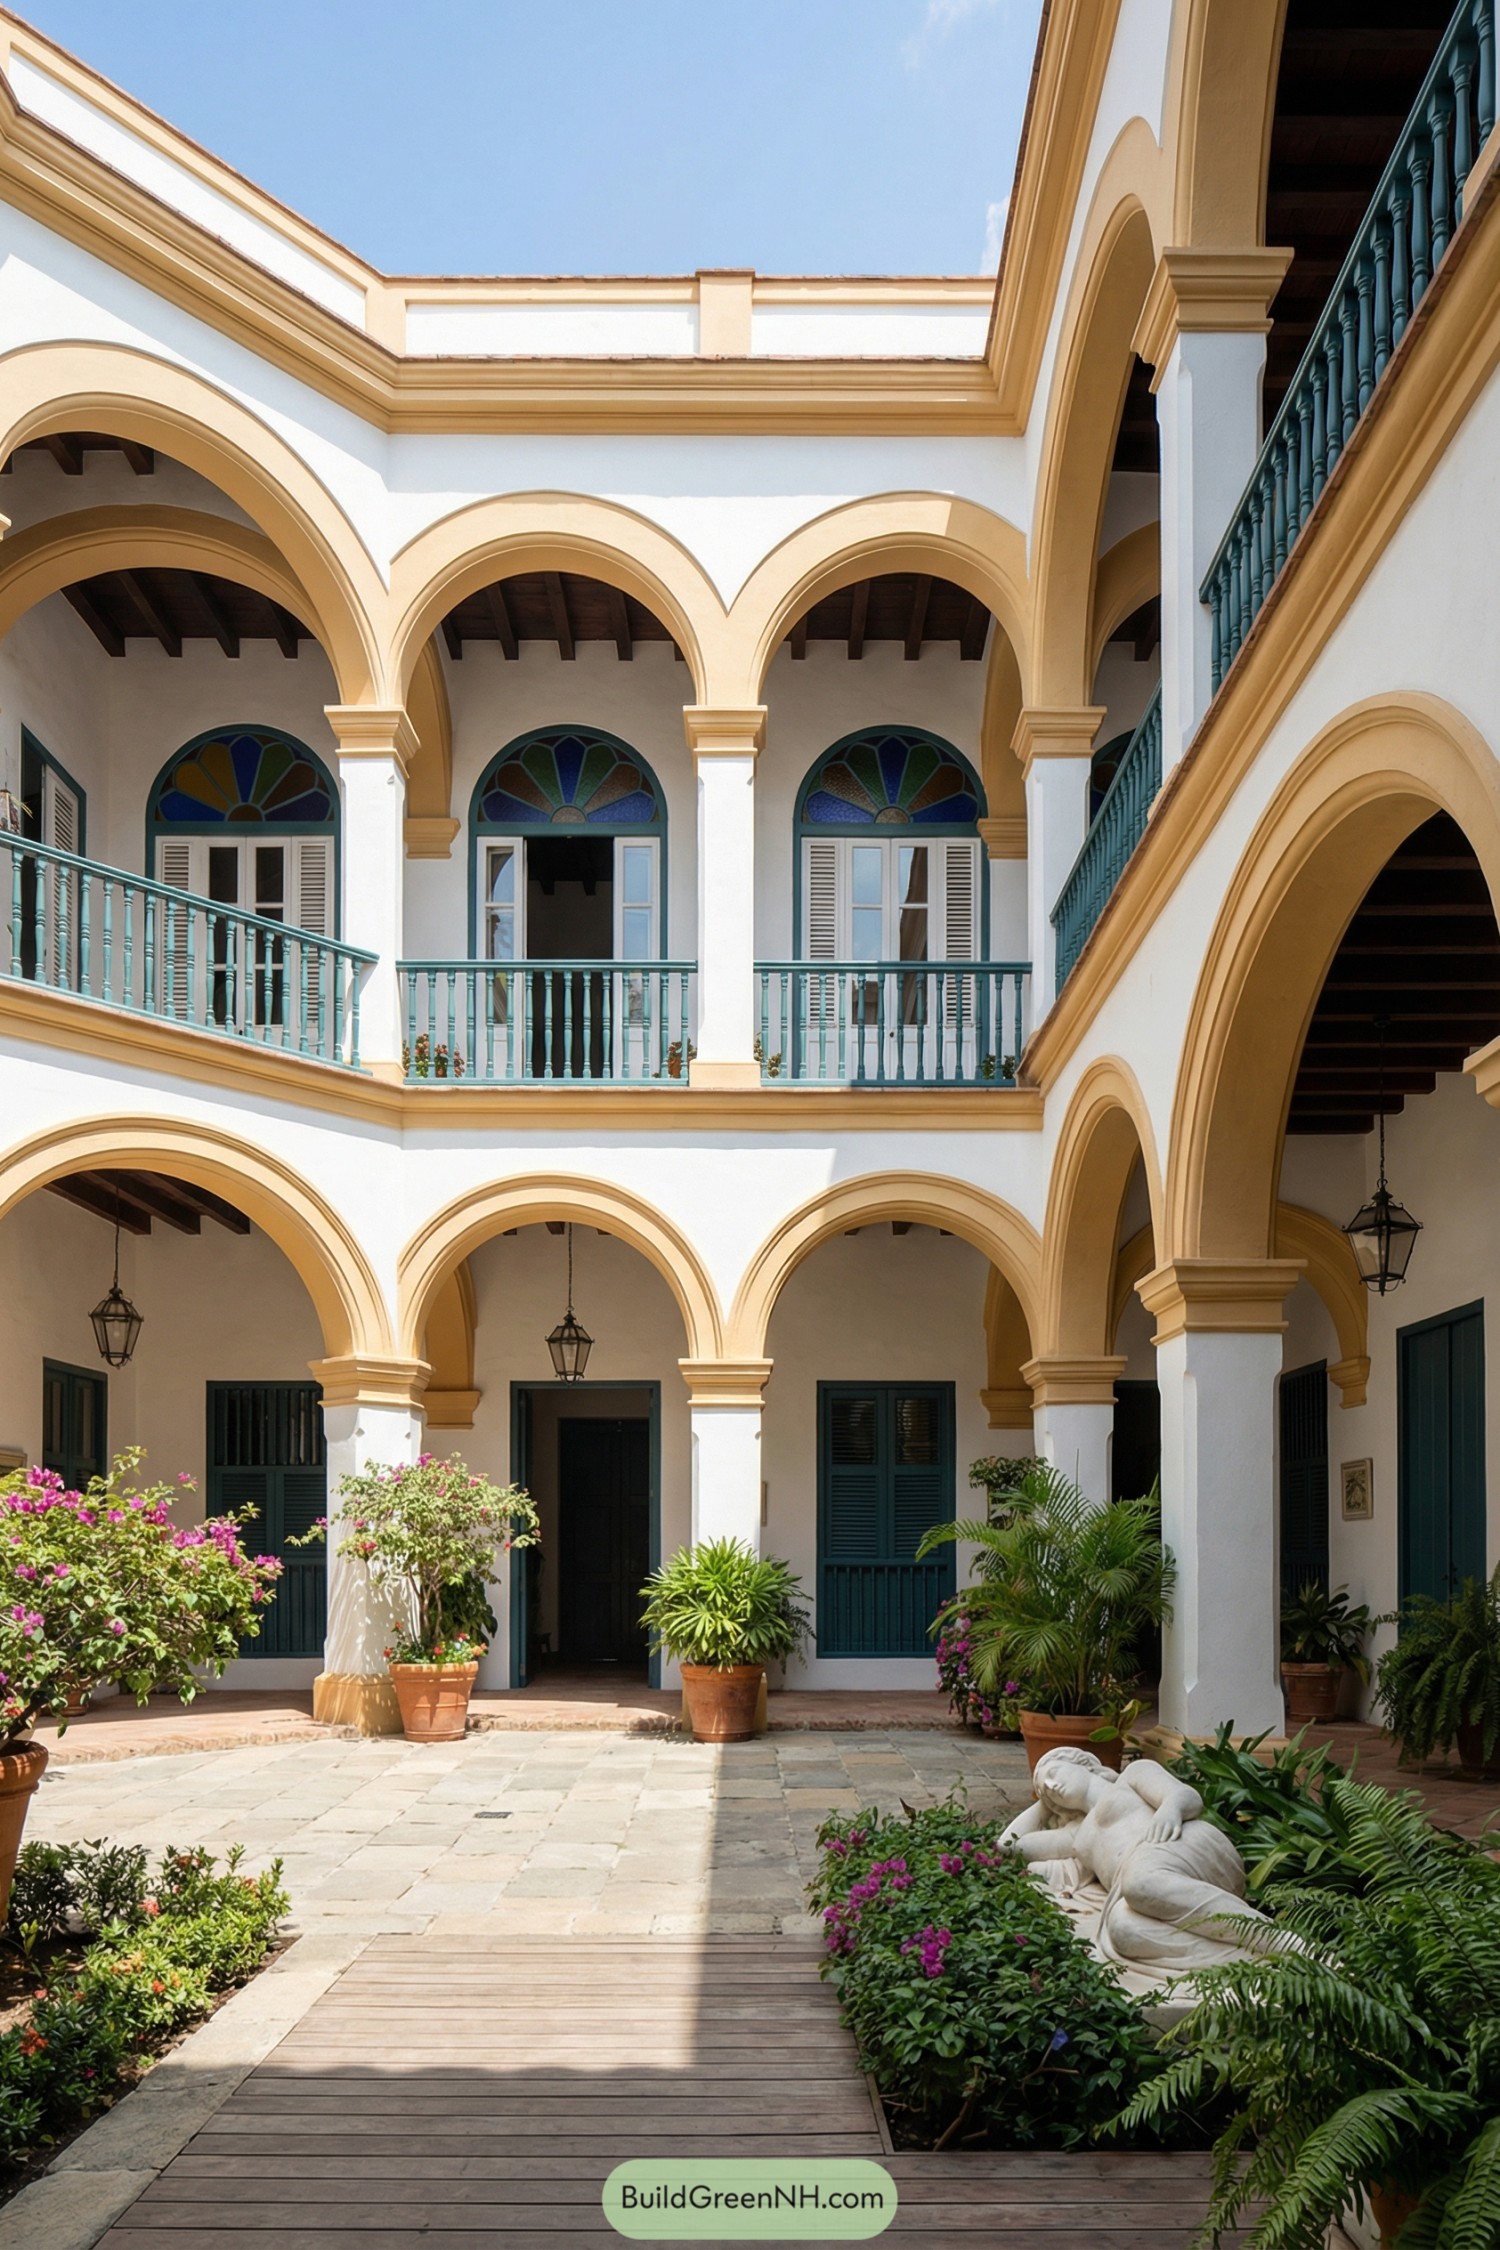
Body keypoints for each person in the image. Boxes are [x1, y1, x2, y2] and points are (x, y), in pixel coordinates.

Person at [997, 1745, 1279, 1972]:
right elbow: (1009, 1846)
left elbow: (1185, 1795)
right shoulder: (1077, 1836)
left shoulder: (1131, 1777)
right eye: (1046, 1789)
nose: (1051, 1784)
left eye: (1055, 1772)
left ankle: (1281, 1941)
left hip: (1181, 1848)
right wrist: (1043, 1803)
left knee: (1140, 1881)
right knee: (1122, 1928)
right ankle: (1249, 1958)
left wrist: (1171, 1809)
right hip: (1141, 1888)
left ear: (1080, 1762)